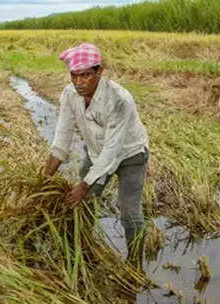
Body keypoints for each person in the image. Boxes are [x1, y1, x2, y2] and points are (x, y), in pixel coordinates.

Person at [44, 43, 150, 269]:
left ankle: (134, 264)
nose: (79, 82)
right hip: (96, 152)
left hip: (130, 155)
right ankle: (84, 251)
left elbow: (112, 151)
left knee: (129, 213)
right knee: (83, 205)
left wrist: (84, 185)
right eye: (74, 75)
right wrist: (44, 177)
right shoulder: (70, 94)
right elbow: (62, 137)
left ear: (99, 72)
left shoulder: (119, 100)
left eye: (86, 75)